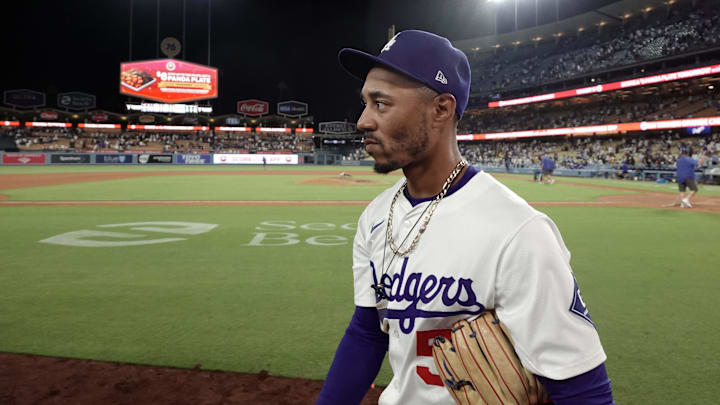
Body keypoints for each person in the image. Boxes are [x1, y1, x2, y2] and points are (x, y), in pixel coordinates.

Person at [316, 30, 614, 405]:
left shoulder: (518, 231)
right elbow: (368, 333)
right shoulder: (375, 216)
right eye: (365, 103)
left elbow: (582, 389)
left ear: (441, 109)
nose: (362, 121)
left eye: (381, 104)